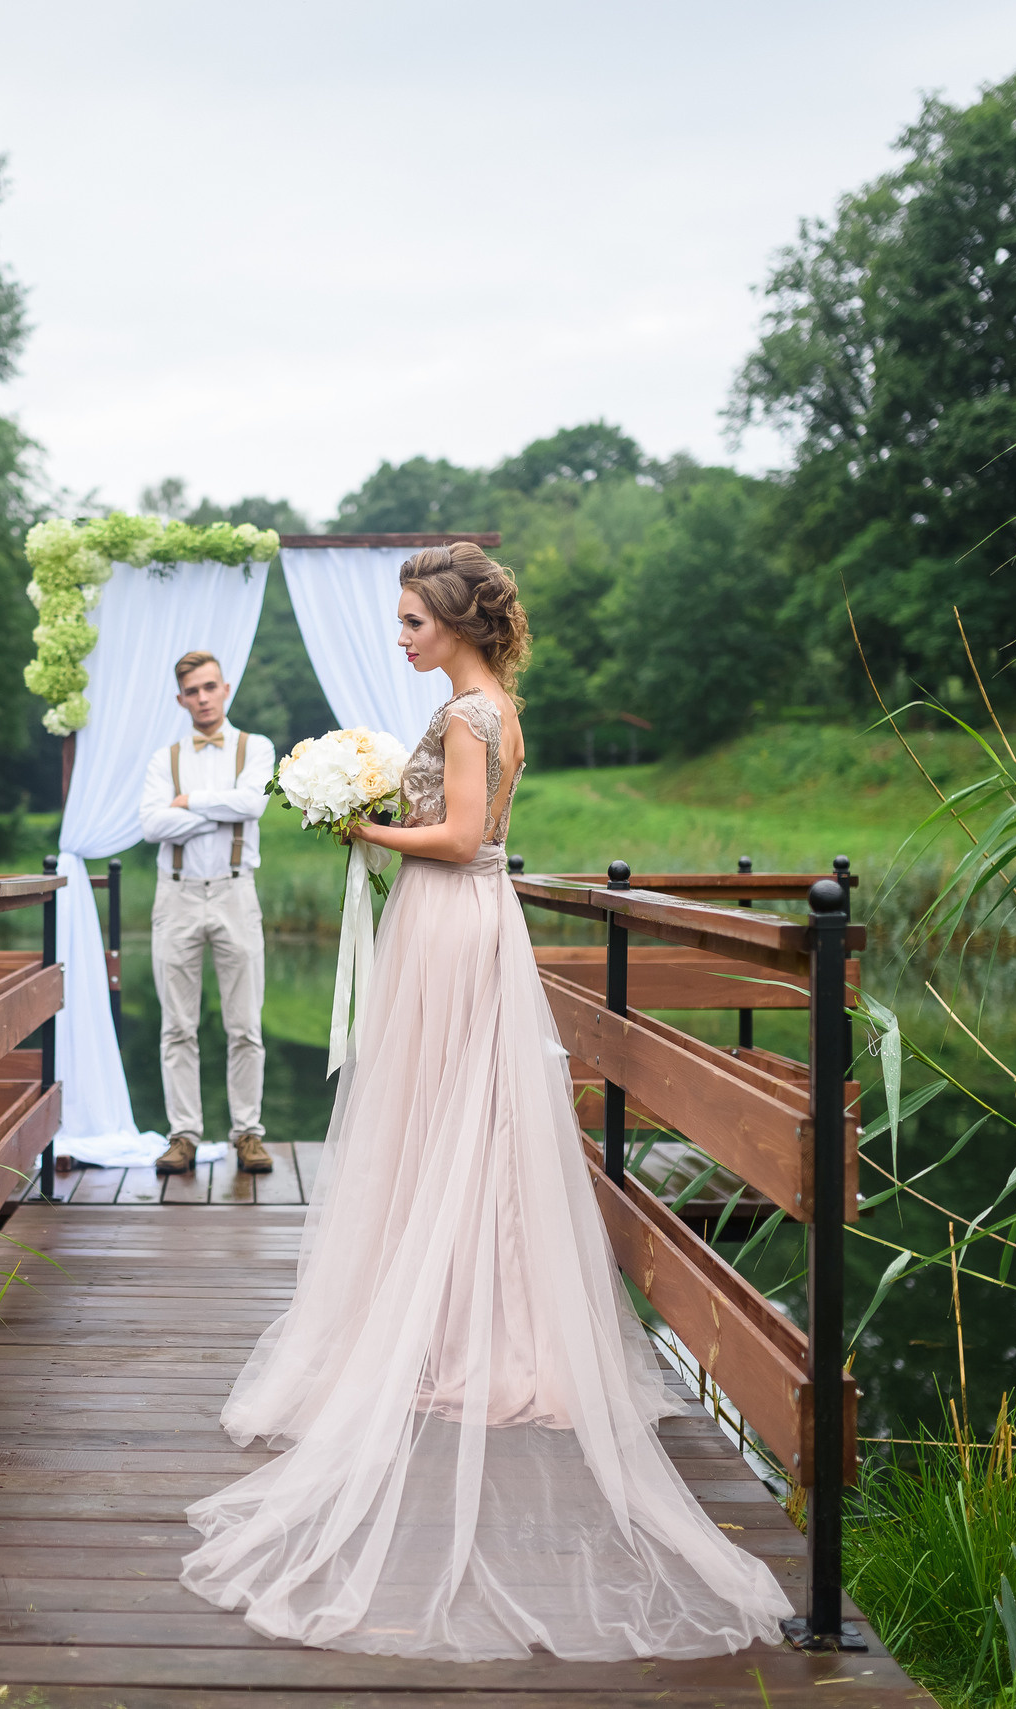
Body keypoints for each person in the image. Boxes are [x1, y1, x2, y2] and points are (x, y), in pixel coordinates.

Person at [179, 545, 791, 1661]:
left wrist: (360, 826)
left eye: (413, 618)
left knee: (453, 1115)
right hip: (469, 922)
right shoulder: (490, 703)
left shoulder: (470, 715)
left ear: (458, 621)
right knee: (460, 1119)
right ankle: (465, 1313)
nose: (400, 634)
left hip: (454, 915)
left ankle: (463, 1335)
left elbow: (461, 840)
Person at [137, 650, 276, 1177]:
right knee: (178, 1025)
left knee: (245, 1024)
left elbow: (252, 805)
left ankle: (247, 1133)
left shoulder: (255, 748)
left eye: (209, 687)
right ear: (181, 699)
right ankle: (183, 1135)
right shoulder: (162, 758)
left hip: (237, 893)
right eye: (192, 691)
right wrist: (215, 809)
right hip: (174, 897)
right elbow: (151, 826)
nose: (202, 698)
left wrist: (186, 802)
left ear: (226, 688)